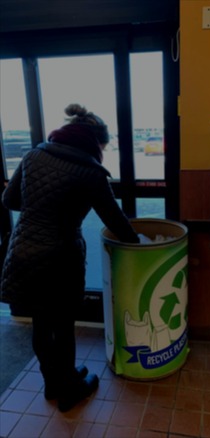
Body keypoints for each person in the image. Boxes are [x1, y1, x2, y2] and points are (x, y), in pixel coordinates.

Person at [0, 104, 140, 412]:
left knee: (40, 322)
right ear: (94, 142)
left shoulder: (34, 155)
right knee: (62, 326)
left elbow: (9, 200)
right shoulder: (89, 171)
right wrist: (139, 243)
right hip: (59, 258)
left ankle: (54, 383)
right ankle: (69, 392)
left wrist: (40, 207)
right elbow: (114, 220)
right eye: (103, 147)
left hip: (22, 251)